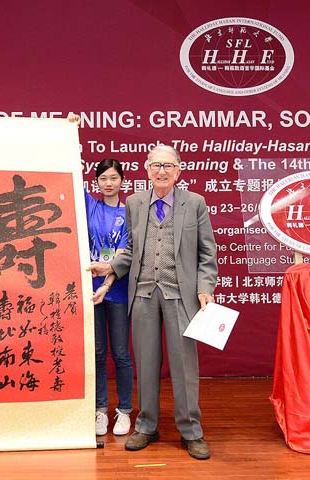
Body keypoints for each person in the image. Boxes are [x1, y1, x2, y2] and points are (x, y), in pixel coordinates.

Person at [89, 145, 218, 460]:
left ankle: (191, 431)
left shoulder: (195, 203)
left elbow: (207, 252)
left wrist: (205, 287)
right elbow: (132, 249)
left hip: (180, 295)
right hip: (143, 293)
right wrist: (111, 268)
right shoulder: (134, 203)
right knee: (146, 364)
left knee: (184, 366)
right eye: (156, 165)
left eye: (168, 165)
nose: (162, 171)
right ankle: (146, 426)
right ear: (147, 170)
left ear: (178, 171)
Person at [87, 158, 134, 436]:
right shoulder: (89, 206)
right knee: (97, 352)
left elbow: (122, 254)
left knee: (120, 352)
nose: (108, 183)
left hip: (117, 289)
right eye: (103, 178)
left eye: (114, 178)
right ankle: (100, 410)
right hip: (90, 289)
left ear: (122, 181)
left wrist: (107, 283)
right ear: (96, 182)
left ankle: (124, 410)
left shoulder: (129, 212)